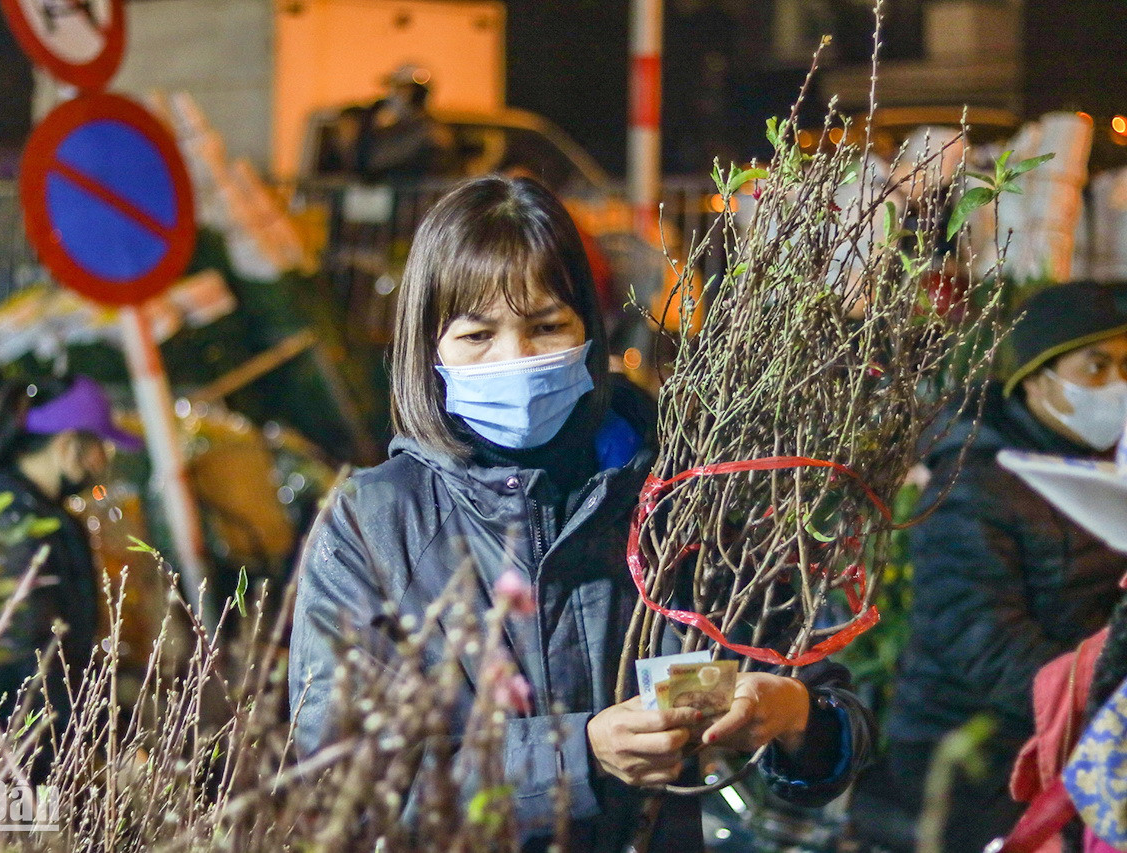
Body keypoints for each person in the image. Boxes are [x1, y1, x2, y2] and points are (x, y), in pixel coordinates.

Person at [289, 176, 873, 850]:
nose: (517, 358)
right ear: (430, 350)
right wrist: (578, 754)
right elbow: (344, 778)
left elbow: (836, 725)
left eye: (545, 326)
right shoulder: (374, 525)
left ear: (588, 329)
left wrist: (795, 716)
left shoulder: (678, 490)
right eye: (478, 334)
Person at [885, 280, 1127, 851]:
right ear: (1036, 379)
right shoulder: (971, 483)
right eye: (1095, 369)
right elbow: (983, 642)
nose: (1118, 387)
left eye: (1125, 365)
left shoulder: (1097, 466)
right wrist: (1097, 701)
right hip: (974, 750)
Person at [0, 375, 142, 760]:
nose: (101, 462)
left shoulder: (11, 506)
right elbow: (39, 656)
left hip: (17, 735)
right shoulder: (16, 521)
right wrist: (105, 740)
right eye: (99, 447)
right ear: (67, 445)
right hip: (16, 748)